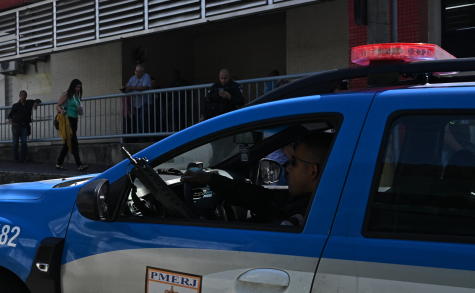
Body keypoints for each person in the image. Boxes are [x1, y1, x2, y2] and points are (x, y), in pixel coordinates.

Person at [182, 133, 333, 226]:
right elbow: (261, 197)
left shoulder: (300, 217)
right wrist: (210, 178)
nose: (288, 168)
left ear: (313, 171)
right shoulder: (311, 203)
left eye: (294, 162)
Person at [55, 79, 89, 171]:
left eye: (80, 87)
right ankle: (79, 164)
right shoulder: (66, 94)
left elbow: (80, 112)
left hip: (75, 120)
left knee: (68, 143)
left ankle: (59, 163)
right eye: (77, 87)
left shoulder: (76, 97)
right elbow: (57, 106)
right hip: (67, 120)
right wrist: (61, 111)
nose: (78, 89)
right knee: (74, 142)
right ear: (73, 86)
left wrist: (80, 109)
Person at [7, 90, 41, 163]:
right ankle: (16, 158)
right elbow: (10, 115)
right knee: (15, 142)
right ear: (19, 96)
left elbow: (38, 99)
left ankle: (23, 158)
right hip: (16, 126)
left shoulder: (29, 103)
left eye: (24, 94)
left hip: (24, 126)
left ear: (26, 96)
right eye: (22, 94)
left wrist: (35, 103)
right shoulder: (15, 105)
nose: (23, 96)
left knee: (24, 142)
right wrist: (11, 122)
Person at [121, 64, 152, 135]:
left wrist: (132, 87)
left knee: (143, 118)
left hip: (145, 102)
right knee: (138, 120)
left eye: (138, 72)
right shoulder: (132, 78)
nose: (136, 73)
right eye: (136, 71)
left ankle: (145, 136)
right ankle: (141, 136)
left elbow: (144, 87)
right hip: (136, 103)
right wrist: (124, 89)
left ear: (143, 72)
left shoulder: (146, 76)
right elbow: (128, 88)